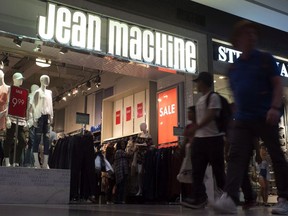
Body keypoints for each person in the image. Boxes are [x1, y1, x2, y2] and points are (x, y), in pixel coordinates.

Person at [213, 20, 288, 215]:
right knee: (236, 157)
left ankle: (284, 198)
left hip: (266, 116)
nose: (253, 36)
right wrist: (233, 120)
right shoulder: (233, 69)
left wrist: (274, 107)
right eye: (248, 33)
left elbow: (278, 84)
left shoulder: (265, 59)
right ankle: (230, 198)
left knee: (276, 156)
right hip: (244, 120)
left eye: (254, 33)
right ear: (237, 40)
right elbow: (237, 97)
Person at [181, 71, 226, 209]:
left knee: (218, 171)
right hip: (200, 140)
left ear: (204, 82)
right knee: (197, 171)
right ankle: (199, 197)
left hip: (214, 139)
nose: (197, 85)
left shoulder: (213, 97)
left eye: (198, 82)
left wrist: (196, 128)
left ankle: (227, 198)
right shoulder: (200, 100)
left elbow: (211, 115)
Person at [3, 72, 26, 167]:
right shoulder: (10, 89)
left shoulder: (23, 92)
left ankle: (16, 161)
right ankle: (7, 160)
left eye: (21, 79)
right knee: (9, 140)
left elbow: (23, 106)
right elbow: (7, 104)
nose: (21, 81)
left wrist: (25, 119)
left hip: (20, 119)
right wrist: (7, 118)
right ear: (14, 79)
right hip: (11, 118)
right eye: (19, 79)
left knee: (23, 141)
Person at [32, 75, 53, 168]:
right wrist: (34, 118)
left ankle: (45, 163)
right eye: (45, 79)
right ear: (41, 80)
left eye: (48, 79)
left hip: (47, 117)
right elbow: (34, 105)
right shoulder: (37, 92)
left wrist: (51, 116)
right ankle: (36, 161)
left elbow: (51, 105)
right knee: (37, 139)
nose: (47, 80)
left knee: (46, 140)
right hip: (39, 117)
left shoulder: (50, 92)